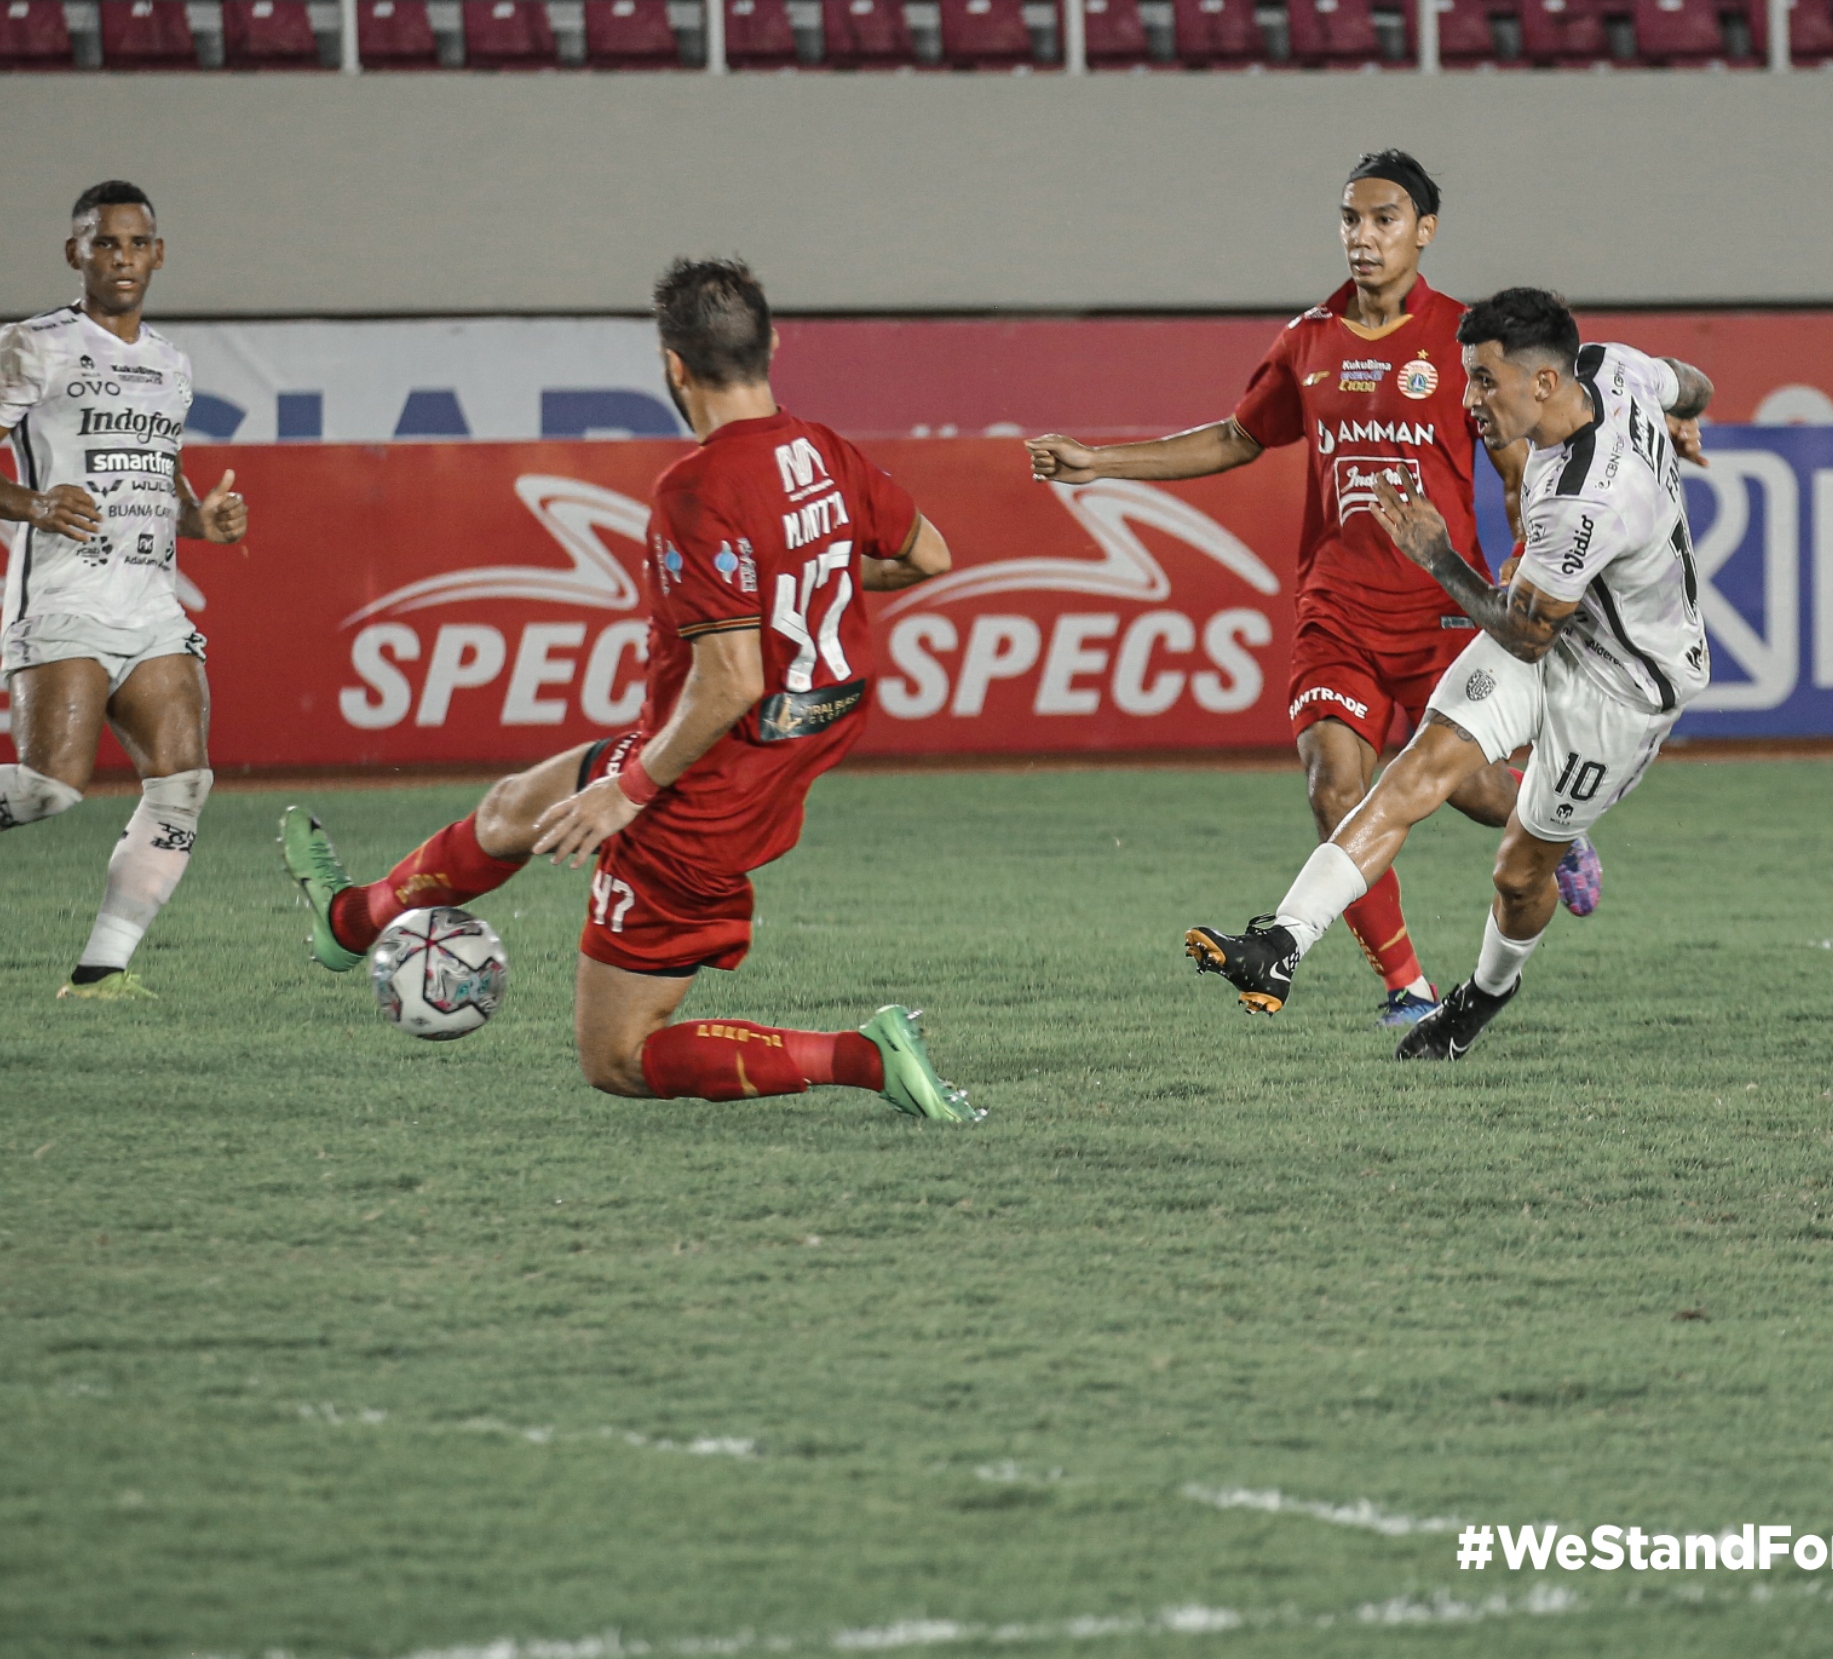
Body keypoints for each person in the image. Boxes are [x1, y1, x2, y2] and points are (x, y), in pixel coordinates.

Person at [282, 257, 983, 1122]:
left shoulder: (697, 489)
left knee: (618, 1056)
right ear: (773, 346)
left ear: (674, 366)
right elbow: (927, 556)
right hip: (775, 744)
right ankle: (353, 923)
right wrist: (806, 574)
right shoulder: (821, 450)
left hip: (705, 783)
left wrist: (633, 790)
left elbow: (730, 680)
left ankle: (861, 1058)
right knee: (512, 810)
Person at [1028, 149, 1598, 1028]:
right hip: (1335, 606)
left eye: (1385, 220)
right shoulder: (1307, 341)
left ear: (1425, 230)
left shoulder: (1463, 342)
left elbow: (1517, 466)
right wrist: (1099, 463)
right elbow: (1235, 437)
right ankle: (1405, 990)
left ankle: (1554, 827)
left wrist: (1528, 556)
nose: (1363, 238)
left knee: (1479, 793)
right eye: (1350, 220)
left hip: (1445, 608)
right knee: (1336, 784)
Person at [1185, 286, 1713, 1059]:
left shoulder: (1587, 500)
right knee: (1417, 769)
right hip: (1551, 627)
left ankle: (1483, 996)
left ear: (1542, 383)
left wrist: (1436, 556)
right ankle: (1282, 942)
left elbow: (1528, 633)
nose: (1469, 400)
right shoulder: (1614, 366)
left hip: (1620, 688)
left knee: (1520, 873)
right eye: (1466, 376)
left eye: (1483, 381)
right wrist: (1684, 414)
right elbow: (1692, 381)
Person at [0, 181, 248, 998]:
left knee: (182, 786)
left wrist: (200, 521)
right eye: (105, 243)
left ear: (159, 253)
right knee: (45, 789)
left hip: (148, 601)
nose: (123, 258)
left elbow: (156, 475)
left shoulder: (171, 364)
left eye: (137, 243)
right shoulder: (32, 345)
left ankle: (102, 973)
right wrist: (34, 503)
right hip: (66, 596)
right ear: (76, 252)